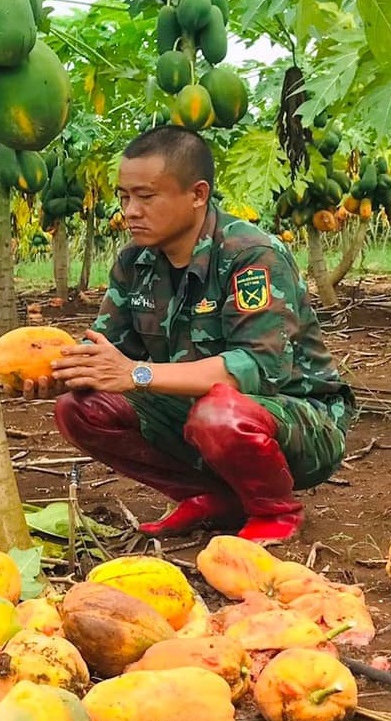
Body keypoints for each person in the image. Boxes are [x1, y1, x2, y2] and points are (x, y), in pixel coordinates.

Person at [33, 126, 354, 545]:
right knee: (80, 408)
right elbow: (106, 355)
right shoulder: (134, 262)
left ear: (198, 194)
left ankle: (275, 509)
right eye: (124, 196)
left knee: (219, 413)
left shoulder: (251, 256)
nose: (131, 211)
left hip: (296, 419)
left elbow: (252, 369)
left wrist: (137, 375)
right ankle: (211, 496)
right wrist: (62, 372)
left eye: (146, 197)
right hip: (195, 413)